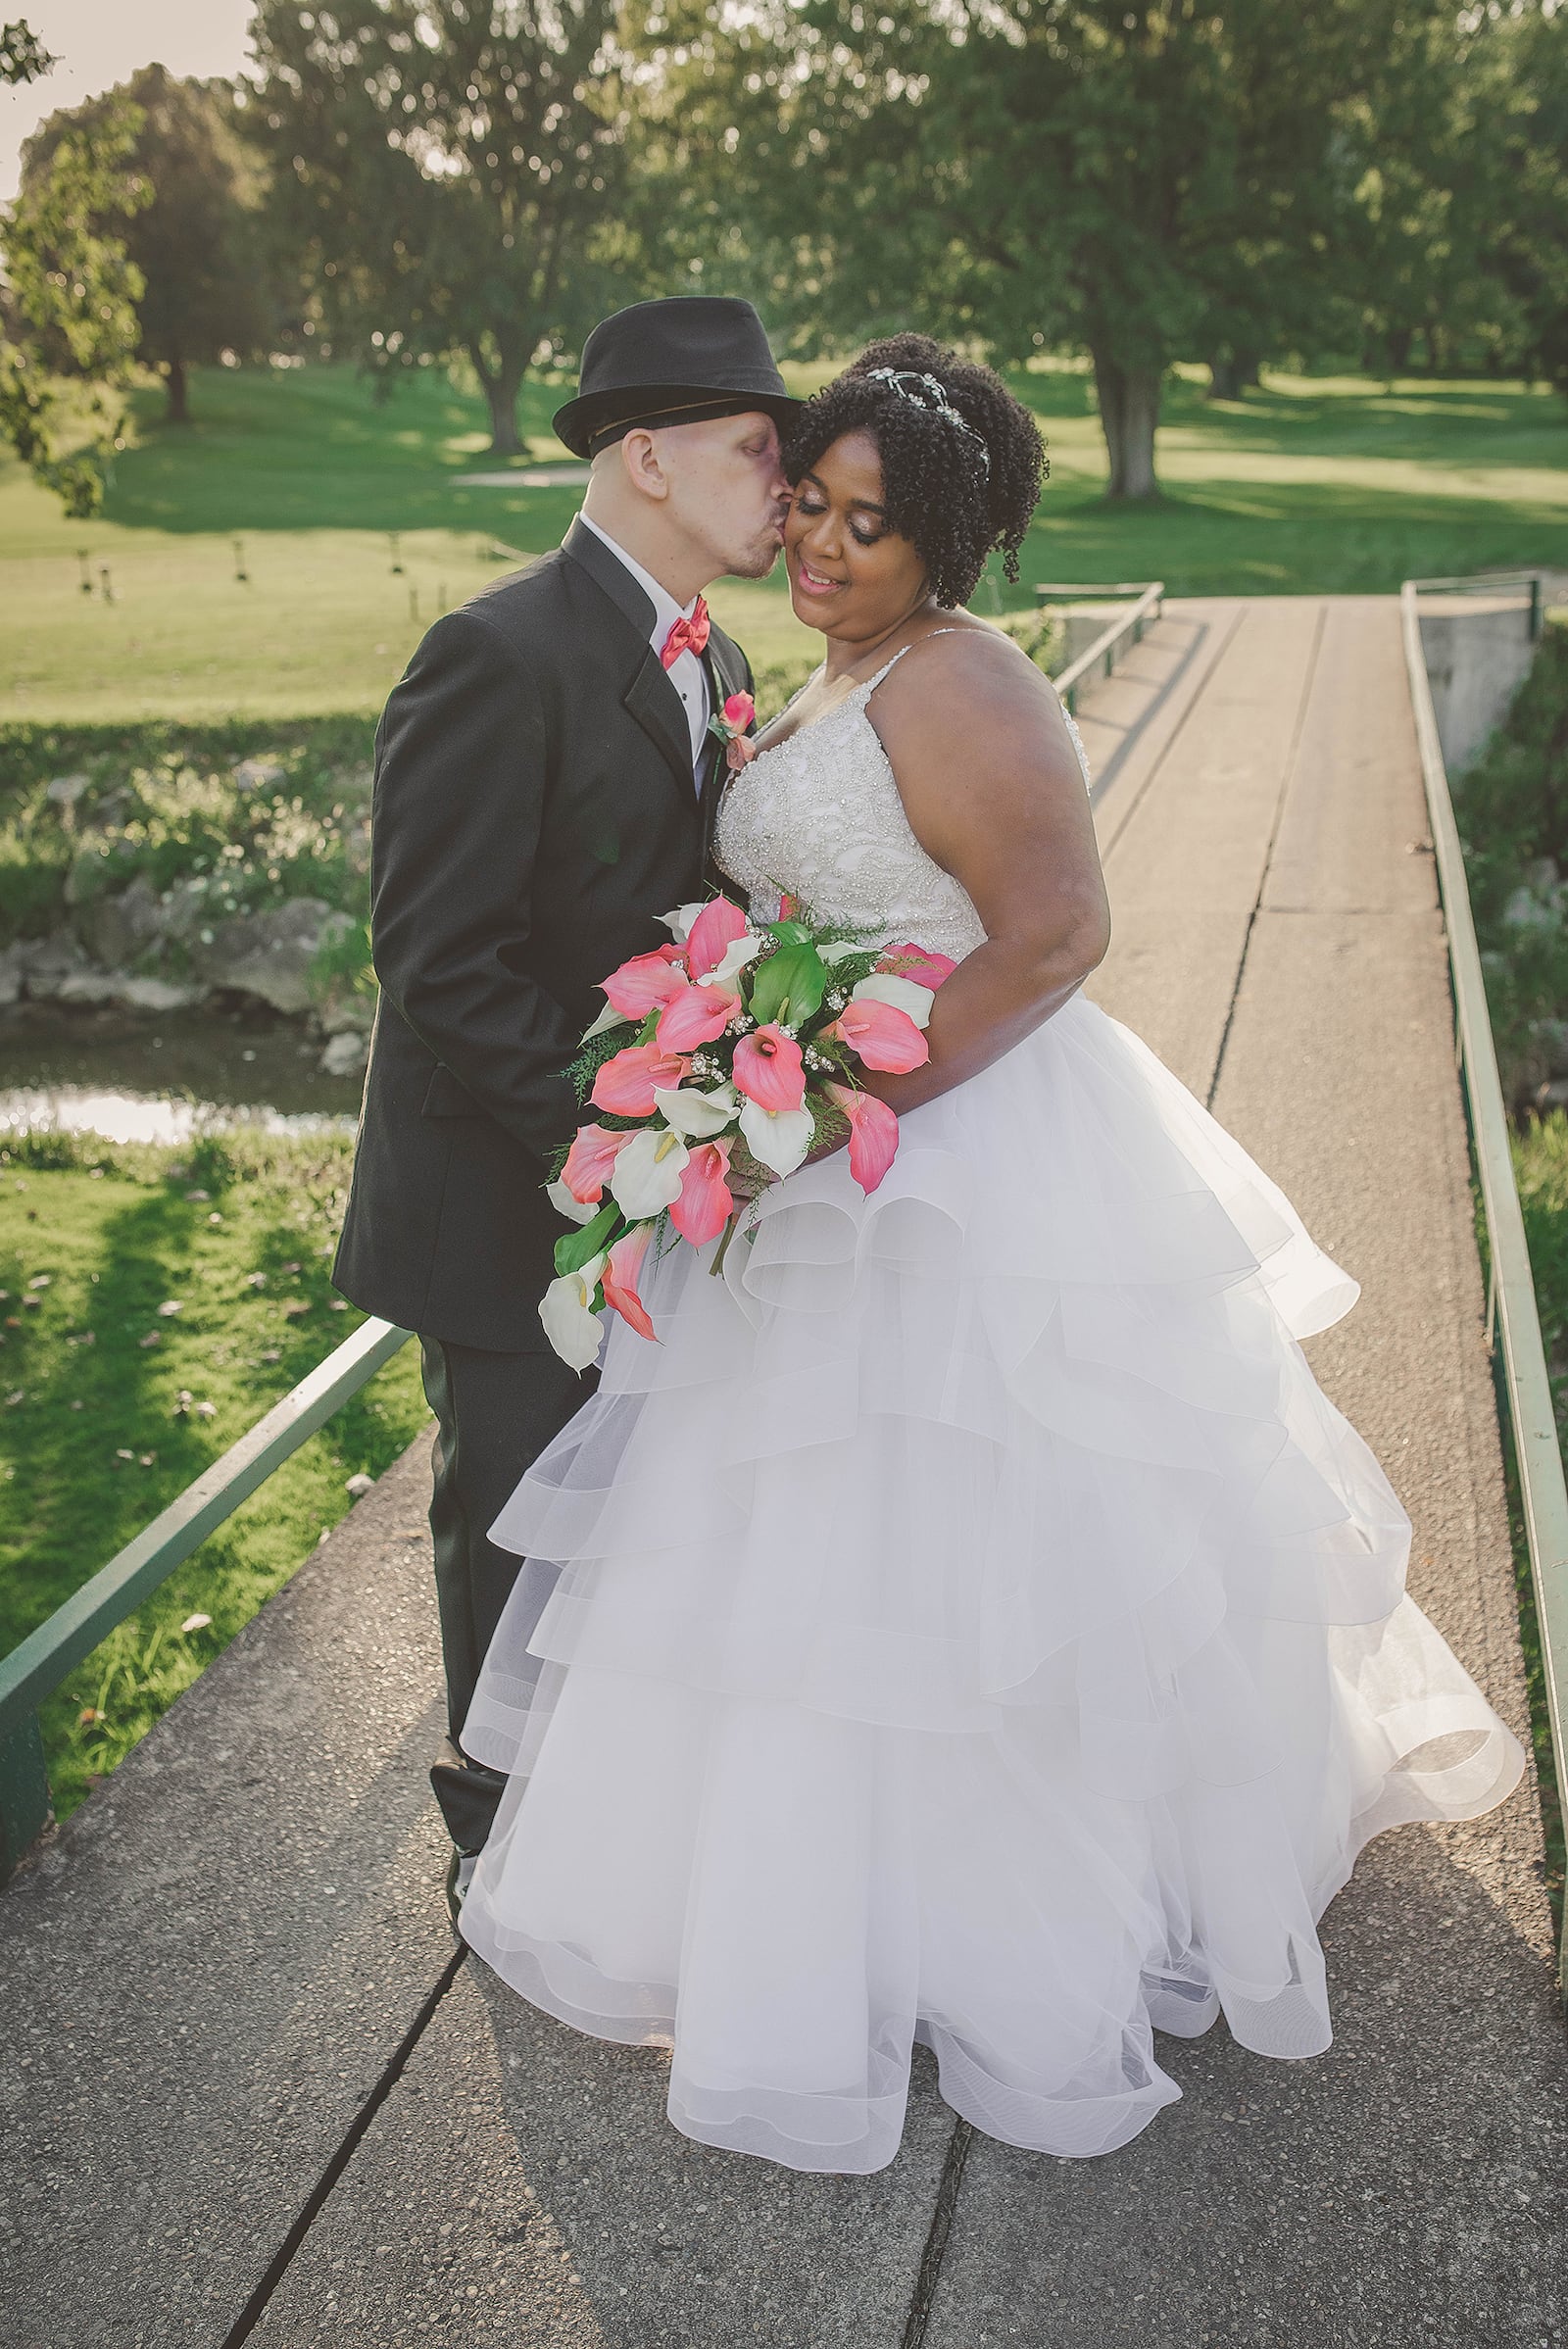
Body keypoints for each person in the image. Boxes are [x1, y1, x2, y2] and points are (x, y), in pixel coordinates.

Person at [456, 336, 1525, 2172]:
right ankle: (828, 1904)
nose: (824, 546)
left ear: (941, 551)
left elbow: (1055, 934)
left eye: (872, 528)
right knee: (810, 1564)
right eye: (812, 502)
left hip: (955, 1155)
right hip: (827, 1156)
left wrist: (846, 1107)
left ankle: (1009, 1931)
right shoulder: (833, 671)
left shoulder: (961, 680)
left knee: (977, 1553)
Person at [332, 297, 798, 1909]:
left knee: (634, 1510)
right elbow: (438, 964)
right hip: (504, 1194)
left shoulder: (720, 654)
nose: (785, 483)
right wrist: (622, 1150)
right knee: (516, 1520)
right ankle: (502, 1848)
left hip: (656, 1177)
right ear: (648, 454)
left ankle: (613, 1821)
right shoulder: (495, 649)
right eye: (758, 449)